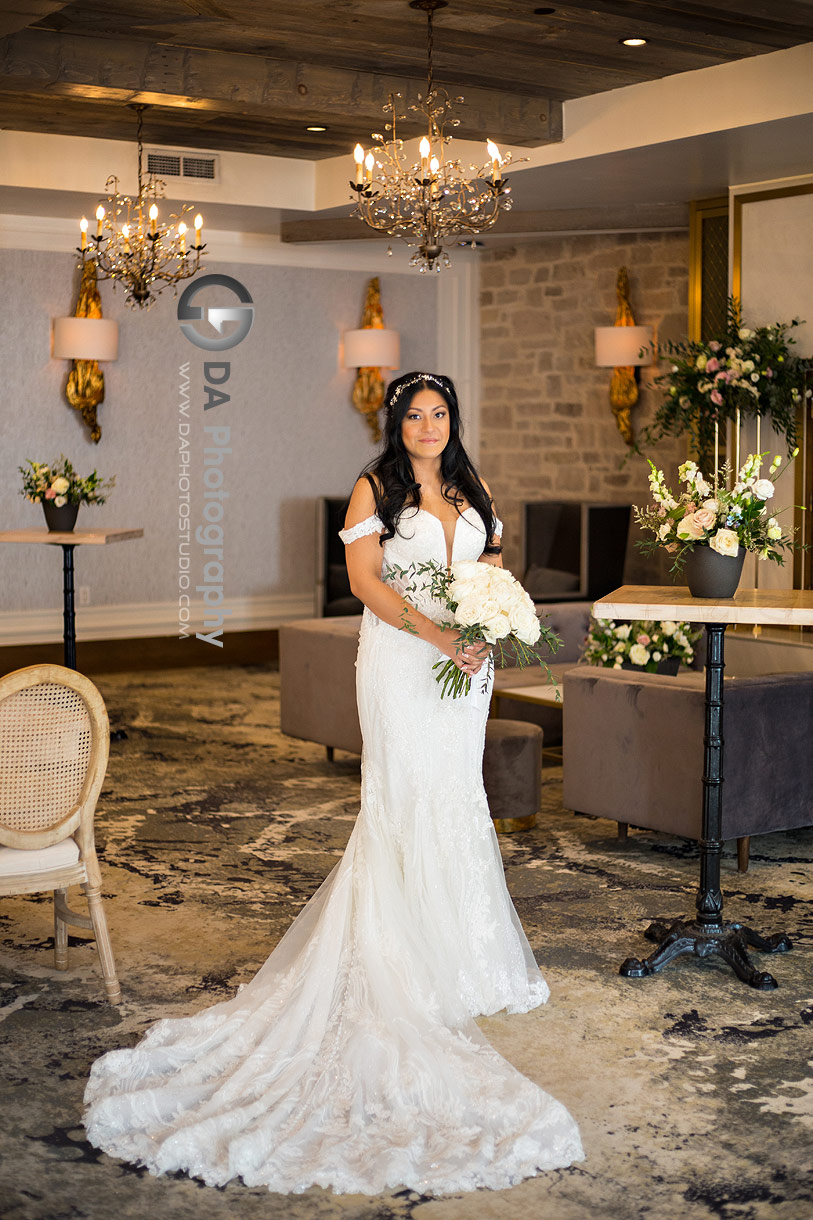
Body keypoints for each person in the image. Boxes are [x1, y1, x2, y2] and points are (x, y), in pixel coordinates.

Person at [84, 371, 584, 1195]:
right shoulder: (377, 485)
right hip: (399, 660)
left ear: (452, 420)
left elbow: (492, 564)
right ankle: (399, 958)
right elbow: (365, 585)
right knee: (404, 796)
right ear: (395, 422)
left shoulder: (472, 482)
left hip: (467, 661)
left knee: (455, 794)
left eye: (438, 413)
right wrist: (437, 632)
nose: (427, 425)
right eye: (413, 414)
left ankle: (459, 953)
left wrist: (488, 622)